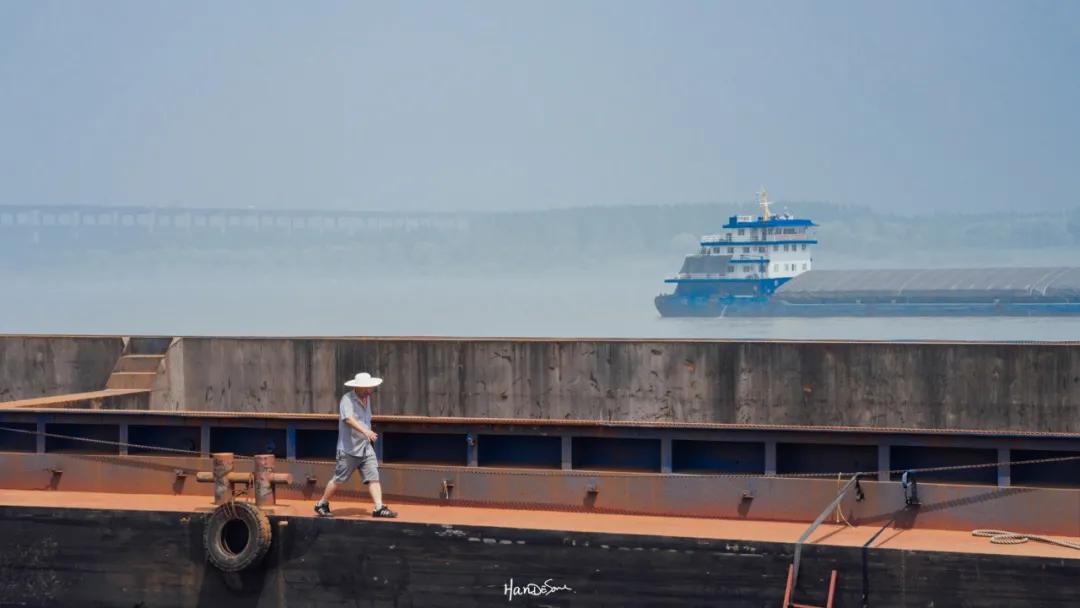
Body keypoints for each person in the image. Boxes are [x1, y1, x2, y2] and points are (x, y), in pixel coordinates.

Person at [314, 372, 397, 518]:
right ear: (359, 387)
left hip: (365, 446)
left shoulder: (367, 399)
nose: (370, 390)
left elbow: (366, 419)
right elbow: (349, 419)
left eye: (370, 387)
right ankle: (322, 503)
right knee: (339, 479)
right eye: (367, 388)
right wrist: (366, 431)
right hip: (349, 448)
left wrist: (367, 434)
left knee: (373, 476)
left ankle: (379, 507)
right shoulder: (347, 399)